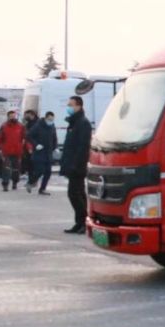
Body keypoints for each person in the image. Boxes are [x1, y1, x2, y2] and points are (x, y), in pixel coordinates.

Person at [60, 96, 92, 234]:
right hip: (72, 164)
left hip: (77, 166)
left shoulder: (83, 123)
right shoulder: (74, 123)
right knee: (79, 193)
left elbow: (83, 147)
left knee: (74, 194)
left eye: (71, 105)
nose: (68, 107)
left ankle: (83, 222)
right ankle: (81, 222)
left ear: (78, 106)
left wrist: (76, 165)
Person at [26, 111, 58, 195]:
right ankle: (30, 182)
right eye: (49, 119)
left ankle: (42, 189)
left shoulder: (52, 126)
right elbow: (29, 136)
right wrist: (36, 144)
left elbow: (54, 137)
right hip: (39, 152)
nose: (51, 121)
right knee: (40, 170)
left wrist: (55, 147)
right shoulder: (38, 126)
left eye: (52, 120)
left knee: (48, 172)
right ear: (46, 118)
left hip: (48, 152)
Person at [0, 110, 26, 191]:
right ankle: (5, 184)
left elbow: (25, 138)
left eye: (14, 116)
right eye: (11, 116)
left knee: (16, 169)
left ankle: (15, 182)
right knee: (6, 168)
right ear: (8, 117)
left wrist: (28, 148)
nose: (13, 117)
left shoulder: (20, 126)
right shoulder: (4, 126)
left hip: (17, 151)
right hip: (6, 151)